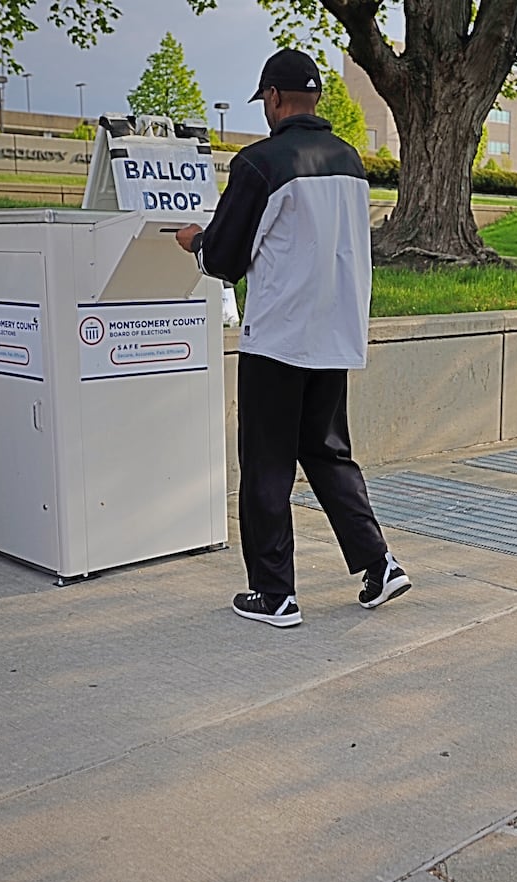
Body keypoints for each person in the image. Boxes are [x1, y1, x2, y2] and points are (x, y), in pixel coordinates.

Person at [175, 48, 409, 628]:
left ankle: (274, 593)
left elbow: (226, 259)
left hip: (278, 339)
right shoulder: (350, 162)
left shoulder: (260, 163)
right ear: (315, 100)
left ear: (273, 100)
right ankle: (380, 565)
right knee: (329, 454)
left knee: (266, 466)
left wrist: (194, 240)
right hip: (336, 336)